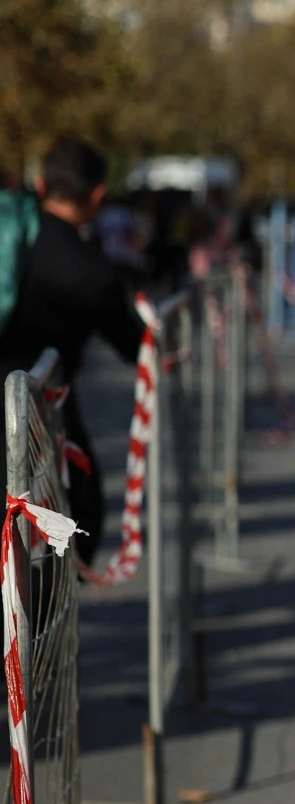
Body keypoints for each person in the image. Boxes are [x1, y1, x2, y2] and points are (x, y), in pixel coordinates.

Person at [0, 139, 146, 564]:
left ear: (41, 184)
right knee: (71, 519)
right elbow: (136, 345)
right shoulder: (91, 271)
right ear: (97, 195)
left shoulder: (11, 242)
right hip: (43, 420)